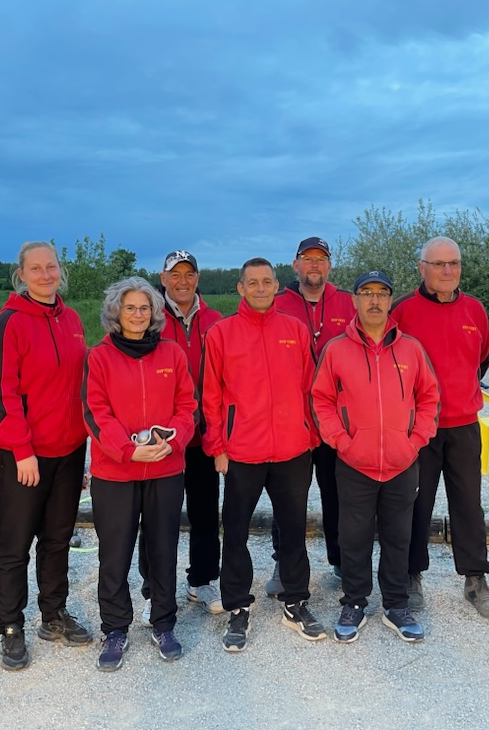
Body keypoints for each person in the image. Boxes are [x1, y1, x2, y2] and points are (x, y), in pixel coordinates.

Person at [201, 257, 325, 652]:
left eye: (266, 282)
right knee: (234, 533)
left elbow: (312, 387)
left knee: (293, 530)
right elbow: (212, 396)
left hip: (292, 449)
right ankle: (238, 608)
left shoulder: (295, 329)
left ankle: (295, 601)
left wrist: (311, 434)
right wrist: (217, 446)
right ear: (240, 288)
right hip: (242, 451)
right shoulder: (221, 334)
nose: (259, 288)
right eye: (251, 282)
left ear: (276, 286)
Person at [0, 241, 91, 672]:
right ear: (21, 275)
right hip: (24, 456)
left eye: (51, 267)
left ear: (60, 271)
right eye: (36, 268)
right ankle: (10, 626)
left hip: (67, 451)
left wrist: (81, 450)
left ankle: (53, 614)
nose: (46, 274)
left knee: (58, 538)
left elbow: (80, 388)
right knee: (15, 544)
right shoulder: (9, 323)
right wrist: (21, 450)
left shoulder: (73, 319)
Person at [311, 271, 440, 644]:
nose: (374, 300)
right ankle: (353, 602)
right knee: (354, 537)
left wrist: (415, 441)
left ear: (390, 300)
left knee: (399, 536)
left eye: (382, 293)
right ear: (354, 300)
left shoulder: (411, 349)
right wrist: (341, 441)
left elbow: (429, 397)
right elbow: (321, 399)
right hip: (354, 462)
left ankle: (397, 604)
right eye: (366, 293)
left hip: (402, 461)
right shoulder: (336, 349)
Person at [83, 277, 197, 671]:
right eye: (130, 308)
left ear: (155, 312)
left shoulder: (172, 353)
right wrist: (129, 451)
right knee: (115, 554)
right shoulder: (98, 356)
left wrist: (175, 440)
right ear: (116, 311)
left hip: (165, 468)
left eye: (144, 308)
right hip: (116, 472)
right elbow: (96, 414)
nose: (137, 314)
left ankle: (163, 623)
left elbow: (187, 406)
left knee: (162, 549)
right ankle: (115, 628)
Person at [390, 236, 489, 620]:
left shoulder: (475, 309)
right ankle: (410, 575)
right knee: (415, 503)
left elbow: (482, 360)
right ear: (421, 268)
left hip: (463, 424)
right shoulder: (402, 310)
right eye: (438, 264)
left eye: (453, 263)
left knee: (468, 505)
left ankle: (475, 579)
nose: (446, 271)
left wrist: (457, 394)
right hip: (418, 427)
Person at [137, 250, 225, 624]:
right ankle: (153, 590)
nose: (183, 280)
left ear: (198, 278)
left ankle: (202, 581)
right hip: (164, 439)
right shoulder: (148, 318)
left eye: (189, 273)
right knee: (157, 518)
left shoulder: (216, 320)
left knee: (206, 513)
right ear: (164, 277)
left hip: (204, 435)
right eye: (176, 274)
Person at [273, 236, 355, 589]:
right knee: (289, 497)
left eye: (321, 258)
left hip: (337, 419)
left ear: (329, 266)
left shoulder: (349, 302)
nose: (314, 265)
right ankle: (285, 563)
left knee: (338, 493)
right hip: (291, 419)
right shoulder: (277, 304)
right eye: (308, 258)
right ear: (295, 265)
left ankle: (340, 559)